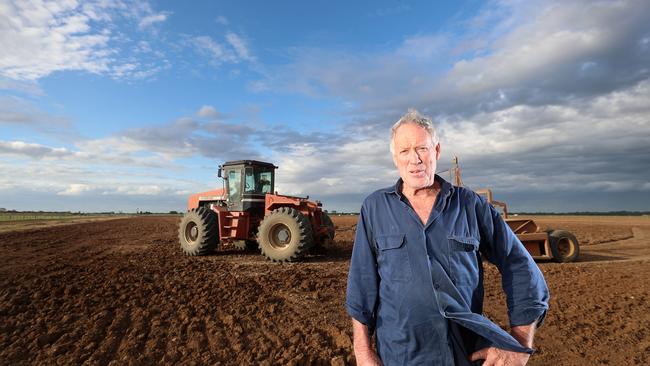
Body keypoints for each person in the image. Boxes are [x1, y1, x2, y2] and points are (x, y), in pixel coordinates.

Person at [345, 109, 549, 365]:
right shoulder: (375, 208)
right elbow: (362, 284)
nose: (414, 159)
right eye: (405, 151)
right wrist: (363, 352)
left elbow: (519, 265)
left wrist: (519, 344)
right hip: (399, 356)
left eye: (422, 148)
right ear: (394, 158)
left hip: (464, 355)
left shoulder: (471, 206)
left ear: (437, 151)